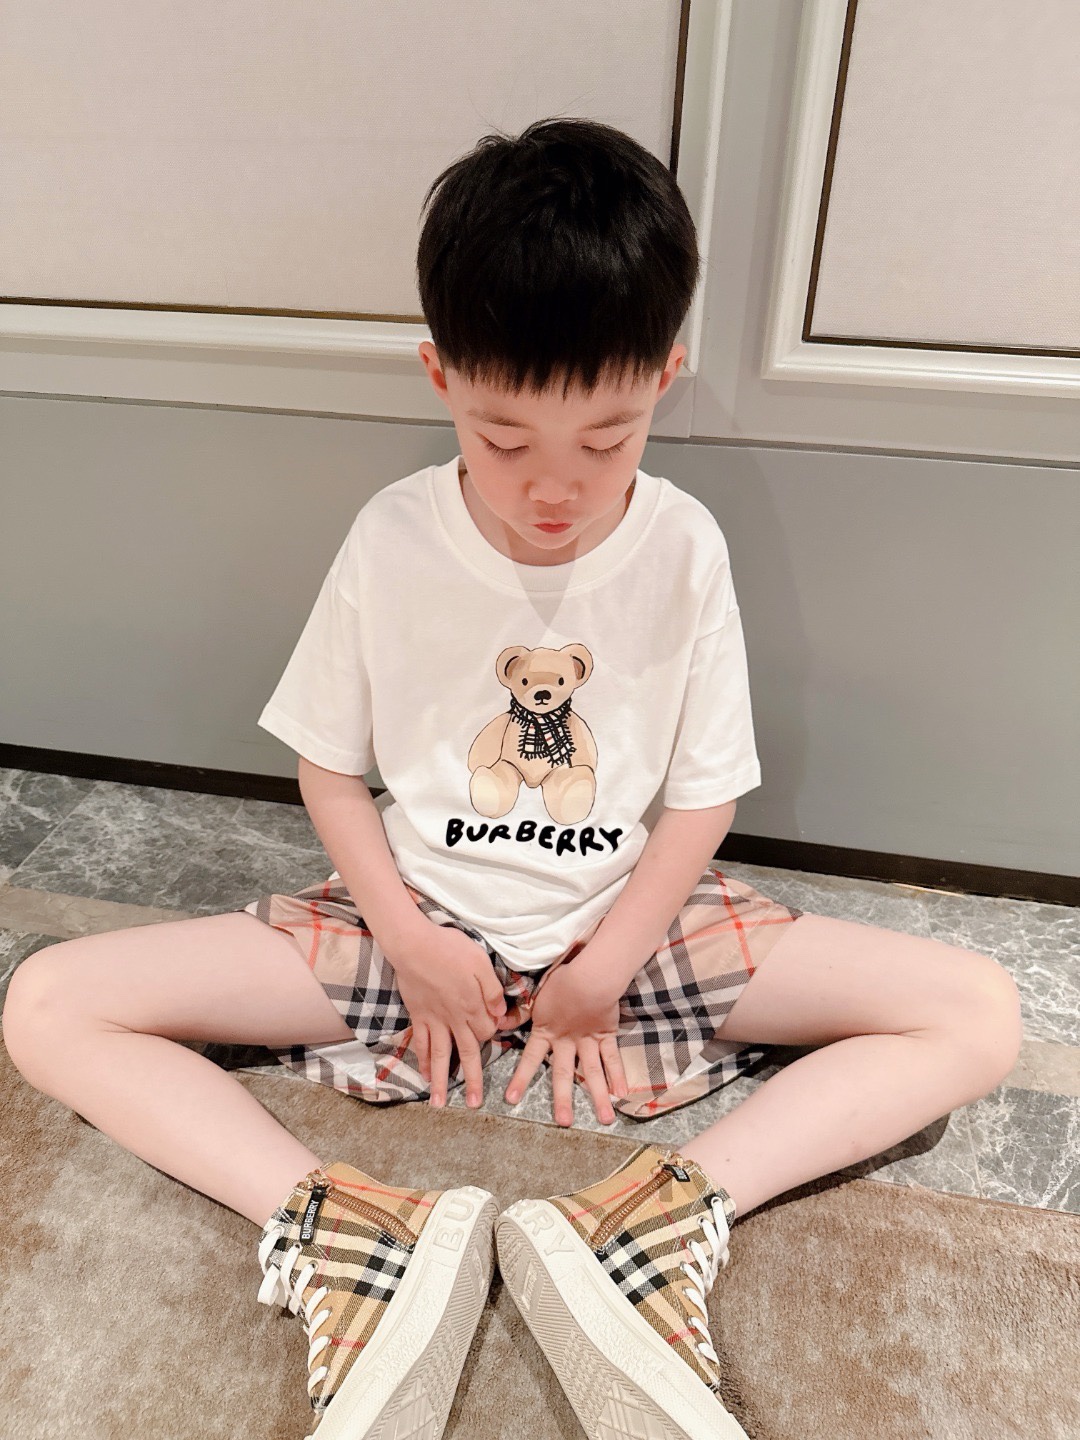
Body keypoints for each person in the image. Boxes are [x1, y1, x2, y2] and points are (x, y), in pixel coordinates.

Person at [2, 117, 1024, 1440]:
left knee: (976, 1014)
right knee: (49, 1004)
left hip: (631, 933)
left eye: (607, 440)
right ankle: (344, 1236)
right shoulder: (393, 536)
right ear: (440, 377)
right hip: (414, 926)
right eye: (502, 437)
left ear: (665, 377)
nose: (556, 490)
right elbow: (328, 769)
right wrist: (409, 940)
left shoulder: (684, 547)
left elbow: (704, 798)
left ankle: (656, 1221)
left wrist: (608, 967)